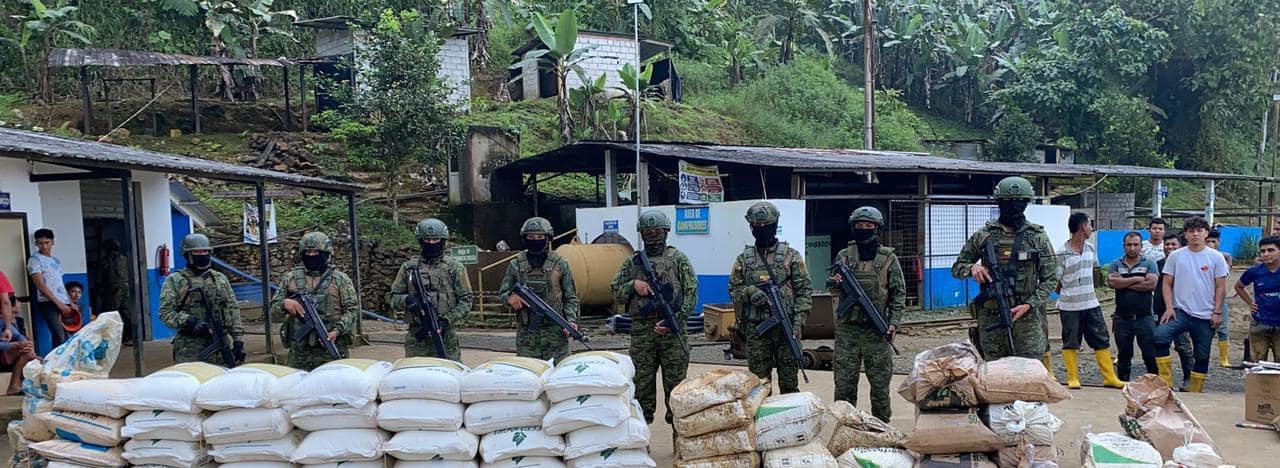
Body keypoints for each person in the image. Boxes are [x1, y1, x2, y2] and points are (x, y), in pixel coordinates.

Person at [952, 176, 1059, 361]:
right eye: (1008, 202)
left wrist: (1029, 305)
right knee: (994, 372)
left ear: (1026, 204)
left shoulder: (1037, 236)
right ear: (999, 203)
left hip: (1027, 319)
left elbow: (1051, 279)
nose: (1013, 207)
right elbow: (957, 267)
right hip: (991, 316)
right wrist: (972, 268)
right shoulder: (983, 236)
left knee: (1029, 372)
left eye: (1019, 202)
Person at [610, 210, 697, 425]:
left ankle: (680, 440)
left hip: (673, 333)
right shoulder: (632, 263)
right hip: (642, 332)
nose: (652, 236)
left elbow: (691, 292)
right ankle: (641, 439)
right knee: (641, 388)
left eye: (657, 231)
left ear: (666, 232)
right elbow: (616, 291)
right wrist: (633, 285)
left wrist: (674, 320)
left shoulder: (678, 259)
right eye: (647, 232)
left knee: (677, 391)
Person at [827, 207, 904, 422]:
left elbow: (899, 294)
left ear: (877, 229)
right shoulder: (844, 256)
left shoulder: (888, 258)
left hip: (876, 333)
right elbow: (832, 285)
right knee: (844, 385)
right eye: (859, 226)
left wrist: (894, 323)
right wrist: (836, 283)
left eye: (868, 226)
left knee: (880, 387)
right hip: (847, 332)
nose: (863, 230)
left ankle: (882, 427)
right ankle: (845, 426)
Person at [729, 201, 813, 394]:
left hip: (787, 328)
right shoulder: (744, 259)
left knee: (789, 383)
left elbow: (804, 291)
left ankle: (789, 421)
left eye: (766, 226)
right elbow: (734, 288)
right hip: (757, 329)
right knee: (758, 385)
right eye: (757, 227)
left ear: (774, 226)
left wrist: (798, 323)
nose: (762, 230)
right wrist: (750, 292)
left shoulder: (791, 256)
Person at [1155, 216, 1227, 392]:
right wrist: (1169, 307)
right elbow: (1166, 283)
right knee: (1159, 336)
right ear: (1185, 234)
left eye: (1199, 231)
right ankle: (1166, 382)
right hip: (1180, 311)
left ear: (1206, 233)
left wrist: (1217, 312)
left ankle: (1196, 390)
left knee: (1202, 356)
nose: (1195, 234)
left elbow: (1221, 287)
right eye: (1191, 231)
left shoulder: (1216, 257)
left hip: (1205, 314)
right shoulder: (1176, 256)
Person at [270, 232, 360, 371]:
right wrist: (284, 304)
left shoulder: (339, 279)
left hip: (331, 345)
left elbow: (352, 311)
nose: (311, 255)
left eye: (316, 251)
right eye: (308, 252)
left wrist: (337, 330)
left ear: (326, 253)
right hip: (300, 352)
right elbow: (272, 313)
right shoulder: (291, 278)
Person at [387, 219, 473, 361]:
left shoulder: (455, 268)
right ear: (420, 241)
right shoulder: (408, 268)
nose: (431, 243)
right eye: (427, 239)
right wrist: (407, 299)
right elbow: (392, 298)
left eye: (436, 239)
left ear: (443, 241)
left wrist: (446, 320)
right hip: (417, 337)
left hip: (446, 335)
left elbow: (466, 300)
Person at [1055, 212, 1124, 389]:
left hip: (1092, 304)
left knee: (1101, 338)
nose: (1091, 228)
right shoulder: (1061, 254)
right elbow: (1056, 282)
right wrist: (1069, 293)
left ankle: (1109, 377)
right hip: (1069, 306)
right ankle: (1073, 378)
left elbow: (1094, 272)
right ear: (1080, 227)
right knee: (1071, 340)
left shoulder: (1091, 248)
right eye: (1088, 225)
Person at [498, 217, 580, 362]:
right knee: (529, 375)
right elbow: (503, 294)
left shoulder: (560, 263)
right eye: (531, 237)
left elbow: (571, 297)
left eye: (540, 237)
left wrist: (571, 321)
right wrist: (510, 298)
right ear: (525, 238)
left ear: (548, 238)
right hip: (527, 337)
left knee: (559, 376)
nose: (535, 240)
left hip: (556, 335)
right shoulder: (516, 264)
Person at [159, 234, 245, 366]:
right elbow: (165, 313)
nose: (202, 254)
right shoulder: (175, 280)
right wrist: (189, 321)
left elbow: (232, 309)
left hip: (221, 345)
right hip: (189, 349)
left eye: (205, 251)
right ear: (188, 254)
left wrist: (238, 341)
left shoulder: (220, 279)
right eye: (197, 252)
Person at [1107, 231, 1160, 381]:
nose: (1132, 248)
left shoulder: (1149, 263)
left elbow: (1151, 284)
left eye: (1136, 245)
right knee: (1124, 354)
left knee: (1150, 354)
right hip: (1122, 319)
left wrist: (1123, 282)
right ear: (1123, 246)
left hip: (1144, 318)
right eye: (1129, 245)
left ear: (1141, 246)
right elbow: (1112, 283)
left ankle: (1155, 385)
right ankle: (1123, 384)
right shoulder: (1115, 264)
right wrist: (1137, 278)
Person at [1160, 233, 1196, 391]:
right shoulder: (1157, 264)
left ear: (1180, 246)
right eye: (1167, 244)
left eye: (1174, 245)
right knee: (1160, 344)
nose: (1170, 247)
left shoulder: (1187, 264)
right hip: (1161, 311)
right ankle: (1164, 381)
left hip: (1181, 311)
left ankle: (1189, 377)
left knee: (1183, 346)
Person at [1236, 236, 1280, 363]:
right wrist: (1250, 303)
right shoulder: (1255, 271)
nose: (1266, 254)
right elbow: (1238, 286)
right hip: (1260, 323)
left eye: (1271, 250)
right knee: (1256, 364)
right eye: (1263, 251)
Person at [28, 228, 72, 352]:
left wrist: (70, 302)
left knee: (68, 335)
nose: (44, 246)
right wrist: (58, 303)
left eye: (47, 242)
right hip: (48, 303)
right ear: (36, 243)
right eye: (41, 243)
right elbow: (40, 285)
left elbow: (60, 284)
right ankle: (56, 367)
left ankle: (66, 365)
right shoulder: (34, 260)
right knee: (59, 335)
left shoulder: (55, 261)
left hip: (64, 301)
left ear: (53, 242)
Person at [0, 270, 35, 395]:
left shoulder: (4, 321)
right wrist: (14, 345)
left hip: (5, 354)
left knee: (27, 350)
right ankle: (14, 386)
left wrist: (24, 342)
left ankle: (16, 385)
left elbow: (17, 335)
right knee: (26, 352)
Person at [1205, 229, 1234, 368]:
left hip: (1219, 298)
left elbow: (1226, 273)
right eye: (1208, 241)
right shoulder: (1198, 256)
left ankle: (1224, 358)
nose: (1211, 244)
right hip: (1203, 298)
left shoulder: (1225, 256)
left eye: (1213, 242)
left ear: (1219, 242)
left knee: (1223, 328)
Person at [95, 239, 133, 344]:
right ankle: (128, 337)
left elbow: (99, 278)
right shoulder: (125, 259)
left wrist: (99, 291)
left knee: (111, 315)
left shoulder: (105, 261)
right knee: (126, 314)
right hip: (125, 288)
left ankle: (113, 338)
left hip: (112, 290)